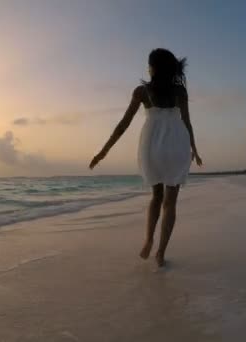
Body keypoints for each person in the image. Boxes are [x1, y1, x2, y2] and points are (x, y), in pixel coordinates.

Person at [89, 48, 203, 267]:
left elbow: (123, 125)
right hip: (176, 145)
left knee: (156, 197)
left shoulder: (142, 92)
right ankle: (160, 253)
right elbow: (187, 123)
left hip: (151, 145)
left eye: (149, 64)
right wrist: (194, 150)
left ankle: (149, 239)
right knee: (171, 203)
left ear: (154, 68)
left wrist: (103, 151)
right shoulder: (180, 92)